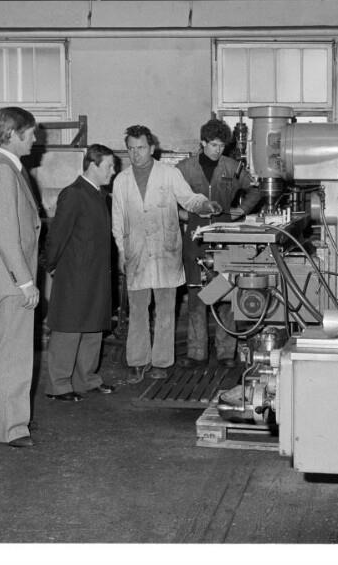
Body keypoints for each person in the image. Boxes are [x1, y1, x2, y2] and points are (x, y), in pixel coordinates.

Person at [111, 125, 221, 384]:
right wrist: (121, 251)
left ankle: (161, 362)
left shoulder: (169, 174)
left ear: (152, 148)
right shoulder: (121, 180)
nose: (136, 154)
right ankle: (138, 362)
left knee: (165, 311)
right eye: (131, 149)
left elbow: (188, 199)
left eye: (141, 148)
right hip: (136, 253)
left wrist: (204, 204)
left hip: (165, 251)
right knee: (138, 311)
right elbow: (117, 220)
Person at [0, 107, 42, 448]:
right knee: (13, 356)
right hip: (12, 280)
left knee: (5, 353)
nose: (35, 138)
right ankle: (11, 428)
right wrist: (25, 282)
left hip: (5, 278)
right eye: (30, 133)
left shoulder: (1, 167)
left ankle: (3, 420)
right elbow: (6, 234)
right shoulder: (3, 171)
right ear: (14, 134)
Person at [176, 119, 261, 368]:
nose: (218, 150)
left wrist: (241, 210)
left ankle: (226, 353)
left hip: (225, 237)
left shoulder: (232, 167)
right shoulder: (184, 169)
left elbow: (255, 190)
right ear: (202, 142)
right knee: (197, 295)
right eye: (214, 145)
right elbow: (167, 195)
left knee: (225, 293)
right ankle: (197, 353)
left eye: (222, 146)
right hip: (196, 238)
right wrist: (183, 215)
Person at [43, 144, 118, 401]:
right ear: (93, 165)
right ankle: (59, 385)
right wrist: (50, 265)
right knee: (69, 328)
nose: (113, 171)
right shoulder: (74, 193)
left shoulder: (99, 195)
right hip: (75, 274)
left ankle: (86, 380)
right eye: (109, 166)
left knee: (93, 327)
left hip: (97, 274)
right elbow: (57, 235)